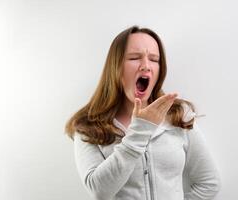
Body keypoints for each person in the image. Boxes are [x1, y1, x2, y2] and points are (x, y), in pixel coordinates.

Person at [65, 25, 220, 200]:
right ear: (115, 67)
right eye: (134, 57)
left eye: (154, 59)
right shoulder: (87, 125)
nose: (146, 66)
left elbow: (209, 182)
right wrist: (140, 131)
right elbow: (99, 191)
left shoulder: (178, 115)